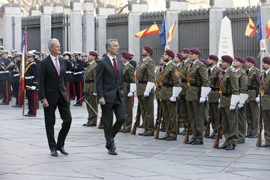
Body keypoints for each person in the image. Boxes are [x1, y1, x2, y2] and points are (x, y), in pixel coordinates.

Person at [38, 38, 72, 157]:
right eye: (56, 46)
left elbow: (64, 79)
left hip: (62, 96)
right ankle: (53, 147)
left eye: (59, 46)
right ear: (50, 48)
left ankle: (60, 144)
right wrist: (43, 98)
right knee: (50, 123)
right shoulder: (44, 62)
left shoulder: (63, 61)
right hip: (49, 97)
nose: (59, 48)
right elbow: (41, 82)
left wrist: (67, 96)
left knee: (68, 119)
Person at [96, 39, 126, 155]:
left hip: (118, 96)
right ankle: (111, 145)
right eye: (115, 46)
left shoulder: (119, 61)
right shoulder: (102, 62)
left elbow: (120, 79)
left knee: (122, 118)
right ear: (108, 48)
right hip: (107, 96)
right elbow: (99, 81)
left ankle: (109, 138)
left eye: (118, 46)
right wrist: (100, 96)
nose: (117, 48)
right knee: (108, 122)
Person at [185, 48, 209, 145]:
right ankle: (194, 136)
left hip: (197, 93)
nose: (190, 55)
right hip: (190, 92)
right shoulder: (190, 65)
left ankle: (199, 138)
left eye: (192, 54)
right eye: (190, 54)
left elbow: (205, 81)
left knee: (198, 117)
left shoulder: (201, 65)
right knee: (192, 117)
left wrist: (204, 95)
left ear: (197, 55)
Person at [217, 55, 239, 150]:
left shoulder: (232, 74)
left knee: (232, 122)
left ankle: (232, 142)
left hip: (230, 99)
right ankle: (227, 140)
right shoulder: (223, 73)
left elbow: (235, 90)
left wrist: (233, 103)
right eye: (222, 61)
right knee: (225, 122)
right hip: (223, 99)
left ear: (229, 63)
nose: (222, 63)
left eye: (224, 62)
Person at [158, 50, 181, 141]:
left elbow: (177, 82)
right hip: (164, 93)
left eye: (166, 55)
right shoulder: (166, 67)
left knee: (172, 115)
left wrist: (174, 95)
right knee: (166, 115)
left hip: (170, 92)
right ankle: (168, 132)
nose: (163, 56)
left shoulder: (173, 67)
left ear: (170, 57)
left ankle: (173, 133)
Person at [136, 46, 155, 136]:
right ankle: (146, 128)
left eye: (144, 50)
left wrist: (148, 90)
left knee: (148, 110)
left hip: (145, 87)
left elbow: (151, 77)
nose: (142, 50)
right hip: (140, 87)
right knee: (143, 110)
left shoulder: (149, 62)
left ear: (148, 53)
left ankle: (150, 129)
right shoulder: (142, 62)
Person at [233, 56, 248, 144]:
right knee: (234, 118)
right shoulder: (232, 72)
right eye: (235, 60)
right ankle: (235, 135)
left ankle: (241, 136)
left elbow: (243, 88)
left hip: (239, 97)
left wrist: (242, 101)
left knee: (240, 118)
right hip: (233, 96)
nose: (234, 62)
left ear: (241, 64)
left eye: (237, 61)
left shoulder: (242, 73)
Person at [206, 55, 221, 139]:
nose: (208, 60)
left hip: (215, 94)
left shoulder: (218, 71)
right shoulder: (208, 71)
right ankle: (214, 130)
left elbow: (220, 84)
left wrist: (220, 97)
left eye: (210, 59)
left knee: (216, 115)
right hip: (209, 94)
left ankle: (218, 131)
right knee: (211, 114)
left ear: (214, 61)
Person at [245, 56, 260, 138]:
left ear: (252, 63)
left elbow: (259, 84)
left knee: (254, 114)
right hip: (247, 94)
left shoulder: (256, 71)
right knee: (248, 114)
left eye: (248, 62)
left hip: (254, 94)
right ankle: (249, 131)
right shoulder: (247, 72)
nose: (246, 63)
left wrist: (258, 95)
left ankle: (255, 132)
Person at [120, 51, 135, 133]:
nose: (121, 58)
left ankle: (128, 126)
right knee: (123, 109)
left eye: (122, 57)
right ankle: (124, 125)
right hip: (122, 89)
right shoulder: (123, 66)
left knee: (128, 109)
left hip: (127, 89)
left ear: (125, 58)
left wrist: (132, 91)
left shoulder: (130, 67)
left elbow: (132, 80)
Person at [83, 51, 98, 127]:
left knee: (93, 104)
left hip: (92, 86)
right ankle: (89, 119)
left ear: (94, 57)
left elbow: (96, 79)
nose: (88, 56)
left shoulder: (95, 66)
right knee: (88, 103)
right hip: (87, 86)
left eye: (90, 55)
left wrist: (95, 90)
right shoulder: (89, 65)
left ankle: (93, 120)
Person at [179, 48, 192, 135]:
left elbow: (188, 76)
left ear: (188, 54)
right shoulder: (181, 64)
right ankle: (185, 126)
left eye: (184, 53)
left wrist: (179, 74)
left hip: (187, 87)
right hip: (181, 88)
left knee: (188, 109)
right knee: (183, 110)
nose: (182, 54)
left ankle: (190, 127)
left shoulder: (190, 64)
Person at [258, 57, 270, 147]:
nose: (262, 64)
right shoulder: (263, 74)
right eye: (262, 62)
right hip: (264, 100)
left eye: (265, 63)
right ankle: (268, 141)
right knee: (266, 122)